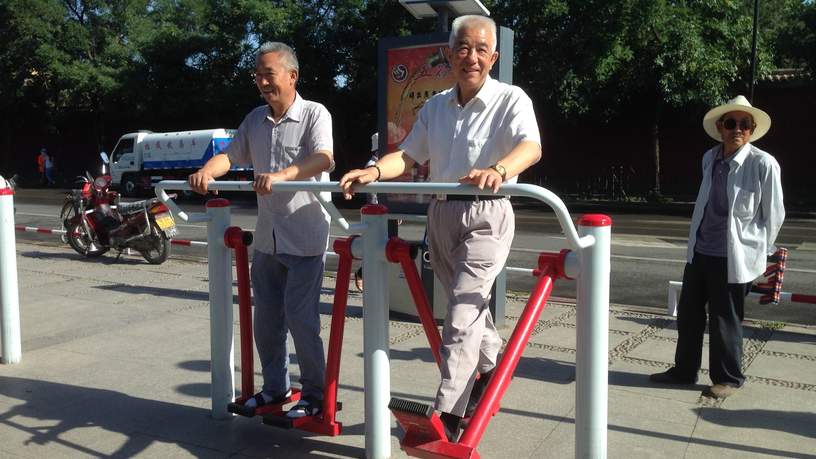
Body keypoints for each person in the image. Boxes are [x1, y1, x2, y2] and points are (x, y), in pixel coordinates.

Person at [340, 15, 541, 440]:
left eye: (481, 50)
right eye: (463, 48)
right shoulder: (436, 106)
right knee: (466, 307)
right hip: (442, 214)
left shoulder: (511, 99)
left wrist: (498, 170)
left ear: (493, 58)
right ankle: (490, 365)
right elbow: (407, 155)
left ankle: (447, 413)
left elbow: (531, 146)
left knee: (462, 310)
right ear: (450, 55)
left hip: (488, 213)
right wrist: (372, 172)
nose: (472, 57)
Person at [188, 41, 334, 419]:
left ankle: (314, 395)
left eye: (269, 75)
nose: (263, 83)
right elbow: (230, 155)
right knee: (266, 321)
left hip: (305, 236)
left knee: (301, 320)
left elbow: (324, 158)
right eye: (258, 76)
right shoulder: (255, 119)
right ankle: (275, 388)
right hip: (269, 236)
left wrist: (282, 175)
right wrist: (206, 171)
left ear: (292, 76)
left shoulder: (314, 114)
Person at [650, 95, 785, 399]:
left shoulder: (763, 164)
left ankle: (729, 378)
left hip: (734, 255)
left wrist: (759, 254)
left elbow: (774, 214)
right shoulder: (710, 158)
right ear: (720, 127)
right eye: (731, 123)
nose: (737, 129)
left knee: (725, 319)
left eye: (744, 124)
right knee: (689, 314)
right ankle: (684, 370)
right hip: (701, 250)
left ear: (751, 130)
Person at [354, 132, 380, 291]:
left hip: (380, 211)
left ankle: (370, 276)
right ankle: (362, 274)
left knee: (380, 246)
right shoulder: (371, 165)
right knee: (374, 247)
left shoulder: (379, 164)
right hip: (374, 213)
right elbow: (373, 193)